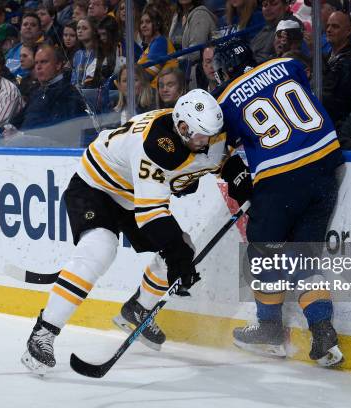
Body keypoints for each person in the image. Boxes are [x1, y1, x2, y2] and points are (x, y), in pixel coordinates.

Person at [21, 89, 224, 373]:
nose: (206, 142)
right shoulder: (154, 146)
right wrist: (176, 257)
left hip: (131, 192)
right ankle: (43, 333)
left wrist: (234, 171)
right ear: (182, 127)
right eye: (201, 135)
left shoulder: (192, 135)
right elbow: (151, 215)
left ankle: (139, 309)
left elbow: (212, 159)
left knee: (183, 247)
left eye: (210, 135)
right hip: (96, 186)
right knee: (100, 248)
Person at [212, 39, 344, 367]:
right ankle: (323, 333)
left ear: (223, 70)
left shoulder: (226, 98)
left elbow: (219, 151)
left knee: (263, 251)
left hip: (280, 180)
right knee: (305, 258)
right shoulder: (287, 64)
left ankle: (270, 330)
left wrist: (239, 178)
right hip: (326, 168)